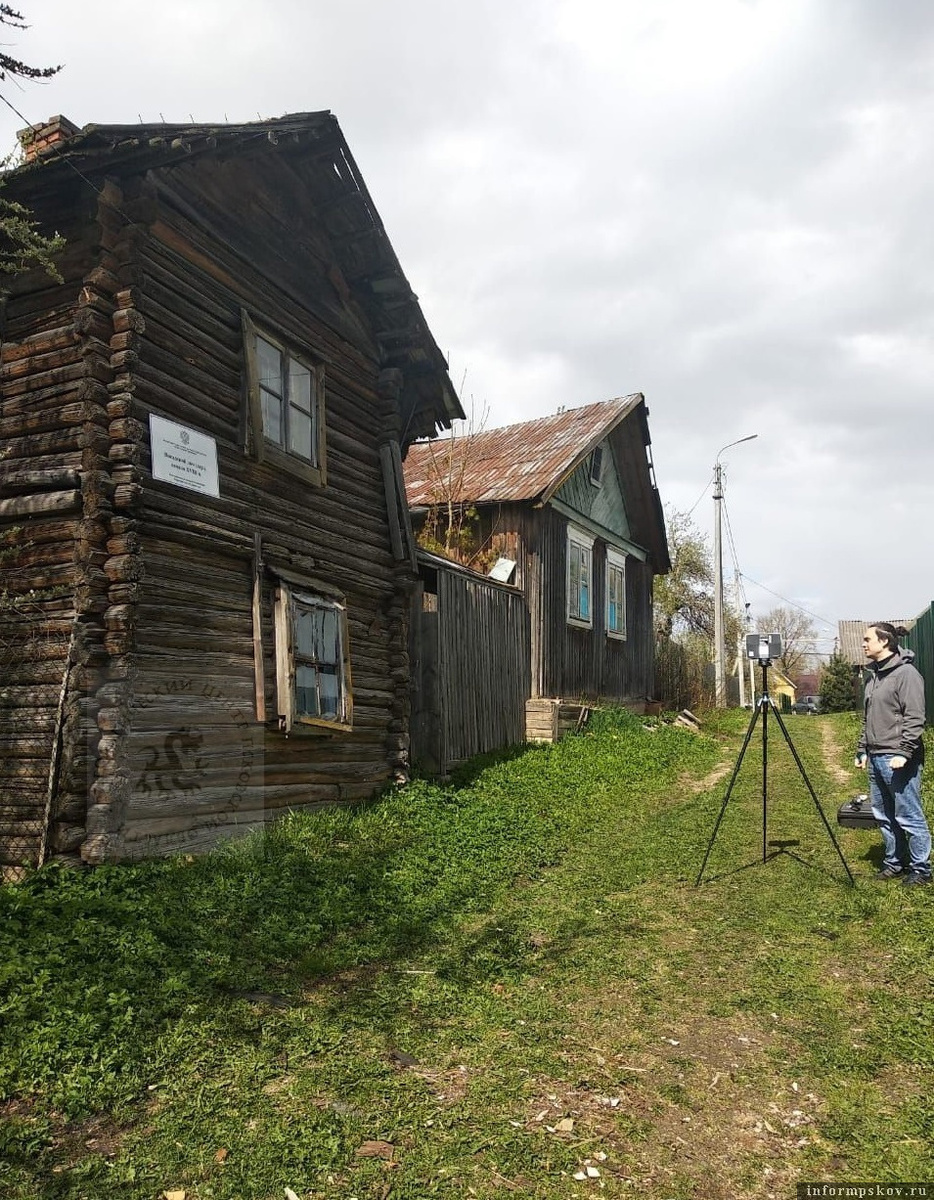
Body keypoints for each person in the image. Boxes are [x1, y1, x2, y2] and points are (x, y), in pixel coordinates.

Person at [856, 623, 931, 885]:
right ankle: (895, 863)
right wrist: (862, 749)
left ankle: (921, 869)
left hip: (898, 757)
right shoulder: (874, 676)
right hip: (876, 756)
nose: (863, 643)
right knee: (883, 814)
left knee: (908, 814)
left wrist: (905, 751)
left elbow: (915, 717)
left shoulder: (906, 674)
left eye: (867, 639)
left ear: (885, 641)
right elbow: (869, 718)